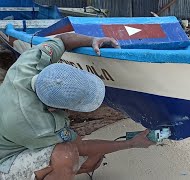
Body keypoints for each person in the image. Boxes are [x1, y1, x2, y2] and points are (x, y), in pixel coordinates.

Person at [0, 33, 155, 180]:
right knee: (66, 157)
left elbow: (62, 40)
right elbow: (80, 147)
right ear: (53, 108)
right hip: (4, 163)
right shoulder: (38, 124)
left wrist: (92, 40)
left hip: (14, 137)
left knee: (92, 158)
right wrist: (131, 143)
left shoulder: (30, 63)